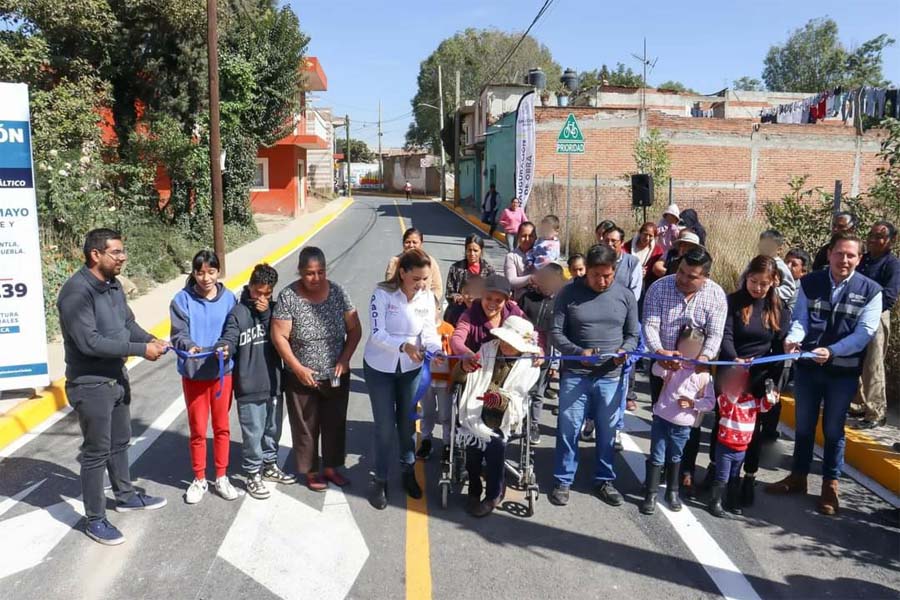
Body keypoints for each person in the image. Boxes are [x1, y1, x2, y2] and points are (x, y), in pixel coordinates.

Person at [57, 229, 169, 545]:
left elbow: (126, 324)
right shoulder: (77, 293)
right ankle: (95, 520)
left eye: (122, 251)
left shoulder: (112, 285)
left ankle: (125, 495)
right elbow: (89, 342)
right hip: (90, 385)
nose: (123, 257)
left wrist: (148, 339)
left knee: (121, 442)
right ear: (96, 254)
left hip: (116, 378)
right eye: (117, 252)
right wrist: (138, 350)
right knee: (96, 452)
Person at [766, 232, 882, 515]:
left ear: (859, 258)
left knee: (833, 430)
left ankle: (830, 486)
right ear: (830, 254)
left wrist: (833, 351)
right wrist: (793, 338)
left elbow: (864, 333)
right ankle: (798, 477)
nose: (844, 260)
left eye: (851, 255)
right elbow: (801, 320)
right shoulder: (810, 283)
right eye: (839, 253)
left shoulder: (871, 290)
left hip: (841, 372)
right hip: (808, 368)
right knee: (803, 426)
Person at [549, 244, 640, 507]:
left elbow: (633, 334)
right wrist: (579, 352)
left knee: (607, 431)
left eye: (607, 275)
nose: (602, 281)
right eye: (596, 275)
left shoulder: (625, 296)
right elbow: (556, 333)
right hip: (576, 375)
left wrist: (625, 351)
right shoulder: (568, 294)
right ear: (586, 271)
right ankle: (563, 479)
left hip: (611, 377)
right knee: (568, 429)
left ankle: (604, 479)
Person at [271, 247, 361, 492]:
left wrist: (344, 359)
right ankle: (311, 470)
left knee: (334, 422)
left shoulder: (338, 292)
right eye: (310, 273)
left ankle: (331, 467)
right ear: (300, 271)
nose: (316, 278)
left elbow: (354, 329)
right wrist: (298, 368)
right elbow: (279, 336)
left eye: (320, 272)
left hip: (335, 375)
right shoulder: (288, 297)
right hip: (302, 376)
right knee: (306, 426)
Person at [642, 248, 727, 495]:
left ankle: (684, 470)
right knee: (662, 417)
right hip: (664, 367)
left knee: (690, 421)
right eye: (681, 271)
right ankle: (658, 468)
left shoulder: (716, 295)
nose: (682, 278)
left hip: (695, 372)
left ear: (705, 277)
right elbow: (650, 324)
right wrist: (660, 352)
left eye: (692, 276)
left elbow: (716, 333)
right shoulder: (659, 287)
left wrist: (704, 358)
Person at [364, 249, 444, 509]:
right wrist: (404, 347)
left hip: (410, 369)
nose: (421, 285)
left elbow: (429, 333)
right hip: (380, 367)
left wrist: (436, 350)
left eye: (426, 279)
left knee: (407, 424)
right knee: (385, 427)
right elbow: (377, 333)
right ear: (402, 272)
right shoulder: (382, 293)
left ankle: (408, 471)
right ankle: (380, 479)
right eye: (417, 279)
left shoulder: (427, 297)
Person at [715, 255, 790, 507]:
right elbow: (725, 335)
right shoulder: (733, 302)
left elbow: (779, 349)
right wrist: (733, 359)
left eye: (763, 283)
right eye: (753, 281)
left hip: (760, 377)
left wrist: (774, 385)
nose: (757, 288)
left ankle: (748, 478)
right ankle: (719, 477)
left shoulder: (779, 309)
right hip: (731, 373)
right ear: (746, 277)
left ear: (773, 283)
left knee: (753, 432)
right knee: (723, 424)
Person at [215, 264, 293, 500]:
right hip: (249, 385)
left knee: (272, 429)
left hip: (274, 382)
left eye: (266, 294)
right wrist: (225, 348)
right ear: (249, 287)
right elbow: (229, 336)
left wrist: (267, 313)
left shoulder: (275, 310)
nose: (261, 298)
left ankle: (269, 465)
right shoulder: (238, 312)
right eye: (257, 292)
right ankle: (252, 473)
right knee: (253, 433)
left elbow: (283, 337)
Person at [170, 250, 239, 504]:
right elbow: (178, 333)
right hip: (194, 374)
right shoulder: (181, 300)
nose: (206, 278)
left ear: (218, 271)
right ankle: (199, 478)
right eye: (200, 272)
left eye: (211, 272)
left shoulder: (230, 298)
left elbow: (233, 329)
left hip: (222, 372)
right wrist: (189, 346)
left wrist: (226, 346)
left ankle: (221, 476)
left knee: (222, 427)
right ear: (194, 272)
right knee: (198, 429)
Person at [456, 317, 542, 517]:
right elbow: (470, 378)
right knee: (473, 449)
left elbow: (520, 394)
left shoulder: (530, 362)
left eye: (511, 343)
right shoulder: (487, 350)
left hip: (505, 417)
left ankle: (494, 493)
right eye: (504, 340)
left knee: (496, 447)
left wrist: (499, 397)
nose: (505, 345)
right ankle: (474, 489)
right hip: (477, 409)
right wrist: (465, 368)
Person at [640, 326, 715, 515]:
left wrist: (693, 403)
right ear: (678, 346)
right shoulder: (673, 367)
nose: (688, 352)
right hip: (662, 419)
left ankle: (672, 492)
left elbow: (710, 402)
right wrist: (666, 362)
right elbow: (656, 370)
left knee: (675, 457)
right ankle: (650, 493)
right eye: (685, 347)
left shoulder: (703, 375)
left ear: (700, 350)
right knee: (656, 456)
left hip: (683, 425)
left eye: (693, 348)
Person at [852, 221, 899, 429]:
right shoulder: (865, 260)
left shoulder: (892, 264)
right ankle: (858, 404)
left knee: (873, 363)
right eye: (870, 235)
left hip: (876, 317)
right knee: (855, 360)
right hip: (855, 314)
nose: (873, 240)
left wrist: (870, 311)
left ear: (891, 240)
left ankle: (876, 412)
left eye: (879, 236)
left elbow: (889, 296)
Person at [520, 263, 566, 445]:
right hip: (523, 352)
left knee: (537, 393)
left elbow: (558, 335)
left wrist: (554, 364)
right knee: (521, 390)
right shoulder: (527, 298)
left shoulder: (561, 304)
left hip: (545, 356)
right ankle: (519, 420)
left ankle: (533, 424)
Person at [451, 274, 526, 368]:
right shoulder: (470, 315)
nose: (492, 304)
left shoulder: (514, 311)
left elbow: (533, 332)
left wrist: (539, 349)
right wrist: (466, 353)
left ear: (506, 301)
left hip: (508, 370)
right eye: (488, 298)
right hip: (477, 368)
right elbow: (456, 339)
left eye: (498, 300)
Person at [416, 296, 455, 462]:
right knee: (427, 412)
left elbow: (454, 357)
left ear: (439, 309)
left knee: (446, 415)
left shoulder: (448, 329)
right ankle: (426, 440)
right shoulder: (419, 331)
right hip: (426, 380)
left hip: (444, 380)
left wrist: (453, 379)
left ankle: (447, 443)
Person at [385, 227, 444, 302]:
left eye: (414, 242)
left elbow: (437, 288)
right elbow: (390, 286)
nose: (411, 245)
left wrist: (428, 303)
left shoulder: (430, 262)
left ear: (421, 243)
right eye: (407, 242)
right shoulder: (395, 261)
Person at [750, 229, 796, 309]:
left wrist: (771, 292)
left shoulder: (780, 266)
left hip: (769, 306)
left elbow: (789, 288)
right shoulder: (755, 262)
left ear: (779, 250)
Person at [445, 234, 495, 304]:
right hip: (460, 308)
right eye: (469, 250)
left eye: (475, 250)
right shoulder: (455, 268)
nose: (472, 253)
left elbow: (493, 292)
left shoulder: (489, 270)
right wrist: (458, 297)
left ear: (481, 251)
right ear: (466, 250)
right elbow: (449, 293)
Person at [624, 221, 664, 301]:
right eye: (645, 234)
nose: (647, 238)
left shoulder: (658, 251)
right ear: (640, 233)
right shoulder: (626, 248)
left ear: (655, 237)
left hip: (647, 288)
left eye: (650, 236)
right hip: (628, 287)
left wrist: (647, 272)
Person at [503, 221, 537, 301]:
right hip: (521, 301)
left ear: (536, 237)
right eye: (524, 236)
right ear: (518, 237)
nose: (527, 239)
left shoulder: (540, 254)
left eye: (531, 236)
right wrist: (531, 278)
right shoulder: (511, 257)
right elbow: (511, 281)